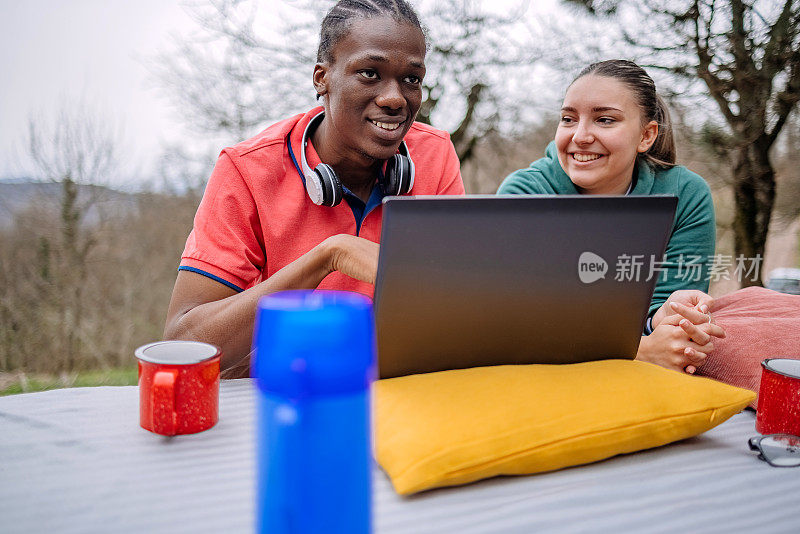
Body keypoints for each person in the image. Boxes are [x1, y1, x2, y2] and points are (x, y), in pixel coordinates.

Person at [163, 0, 465, 376]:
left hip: (399, 388)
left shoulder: (435, 153)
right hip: (289, 396)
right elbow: (182, 345)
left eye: (412, 79)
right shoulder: (246, 170)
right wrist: (327, 257)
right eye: (370, 73)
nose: (395, 99)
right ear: (322, 78)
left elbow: (453, 301)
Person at [497, 59, 724, 374]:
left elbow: (667, 318)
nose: (580, 135)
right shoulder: (525, 191)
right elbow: (516, 318)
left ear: (646, 136)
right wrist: (639, 351)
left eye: (604, 119)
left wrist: (669, 316)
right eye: (568, 118)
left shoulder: (685, 194)